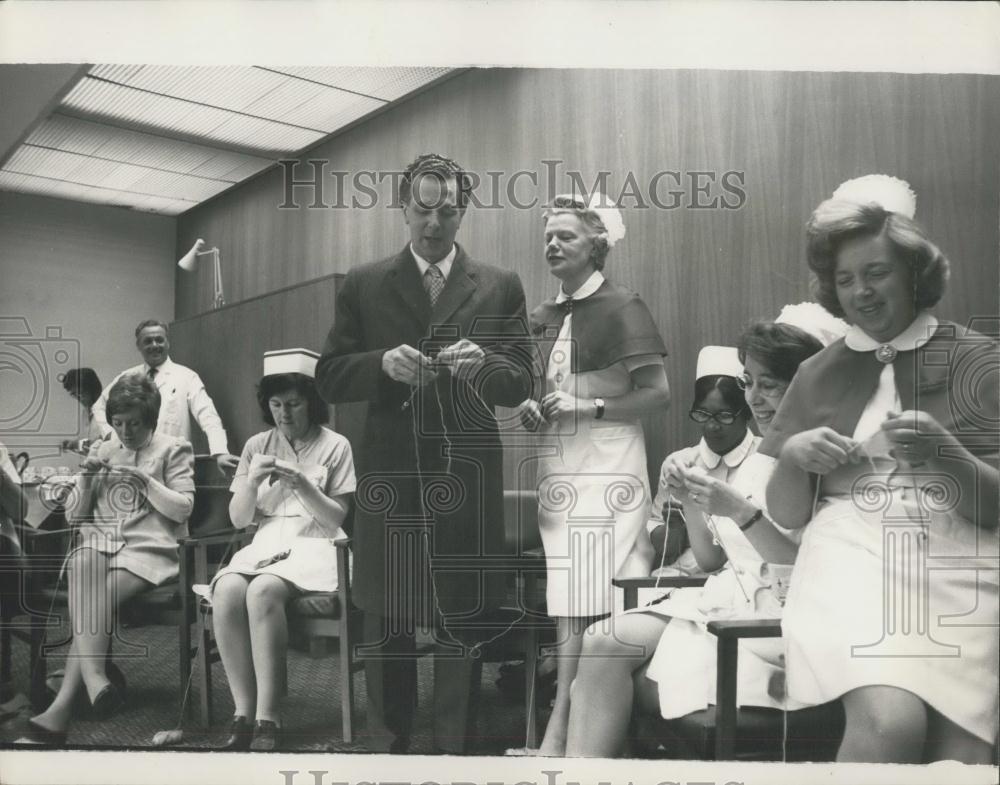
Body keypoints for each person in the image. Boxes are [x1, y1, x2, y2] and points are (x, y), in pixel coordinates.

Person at [763, 177, 999, 763]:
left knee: (963, 753)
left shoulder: (977, 359)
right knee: (890, 723)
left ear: (915, 275)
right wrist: (794, 456)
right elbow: (787, 513)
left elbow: (995, 509)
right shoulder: (817, 371)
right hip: (852, 558)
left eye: (876, 273)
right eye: (845, 279)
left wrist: (946, 454)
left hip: (960, 565)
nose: (860, 292)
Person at [315, 153, 533, 754]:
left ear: (462, 210)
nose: (433, 222)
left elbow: (521, 382)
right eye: (422, 208)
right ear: (403, 208)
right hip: (390, 475)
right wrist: (379, 365)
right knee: (387, 617)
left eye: (447, 209)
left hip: (465, 477)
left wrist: (485, 365)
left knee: (459, 619)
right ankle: (389, 748)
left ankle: (455, 751)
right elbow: (329, 376)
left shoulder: (499, 284)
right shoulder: (363, 282)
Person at [563, 314, 832, 758]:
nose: (755, 398)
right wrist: (688, 496)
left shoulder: (818, 456)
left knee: (609, 666)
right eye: (750, 381)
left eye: (770, 384)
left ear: (805, 383)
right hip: (725, 599)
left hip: (776, 622)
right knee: (601, 641)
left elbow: (805, 571)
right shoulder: (762, 457)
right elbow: (710, 561)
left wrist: (742, 513)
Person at [510, 193, 670, 756]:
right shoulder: (543, 315)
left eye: (566, 236)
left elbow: (657, 394)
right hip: (560, 466)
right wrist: (536, 408)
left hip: (609, 466)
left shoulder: (625, 306)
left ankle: (562, 736)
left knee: (592, 594)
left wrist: (588, 408)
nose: (552, 244)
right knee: (567, 597)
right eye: (548, 235)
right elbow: (548, 392)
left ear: (596, 246)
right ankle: (566, 734)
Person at [17, 374, 195, 745]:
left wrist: (145, 481)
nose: (125, 432)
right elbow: (74, 518)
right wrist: (86, 476)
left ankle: (61, 710)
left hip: (148, 550)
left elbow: (182, 509)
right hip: (99, 546)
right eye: (118, 423)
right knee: (83, 557)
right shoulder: (105, 448)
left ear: (151, 419)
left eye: (134, 424)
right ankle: (95, 680)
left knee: (91, 606)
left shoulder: (173, 448)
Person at [206, 349, 355, 752]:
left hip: (317, 544)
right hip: (267, 541)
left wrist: (304, 485)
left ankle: (268, 716)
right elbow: (239, 521)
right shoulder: (257, 444)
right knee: (226, 590)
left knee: (263, 589)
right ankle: (242, 710)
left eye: (293, 404)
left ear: (312, 402)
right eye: (275, 405)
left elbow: (335, 520)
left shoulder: (335, 445)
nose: (284, 414)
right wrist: (251, 483)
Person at [647, 346, 760, 576]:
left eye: (724, 416)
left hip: (747, 573)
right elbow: (661, 544)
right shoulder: (680, 463)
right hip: (687, 577)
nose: (711, 426)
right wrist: (673, 529)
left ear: (747, 412)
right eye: (702, 414)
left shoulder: (764, 458)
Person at [92, 319, 238, 475]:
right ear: (139, 346)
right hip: (130, 461)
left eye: (159, 340)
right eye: (148, 341)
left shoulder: (187, 377)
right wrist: (112, 434)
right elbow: (99, 406)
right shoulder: (127, 377)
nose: (155, 345)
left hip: (171, 462)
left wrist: (220, 451)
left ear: (167, 343)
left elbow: (208, 415)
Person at [61, 367, 107, 453]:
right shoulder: (85, 412)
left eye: (79, 393)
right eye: (73, 395)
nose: (77, 399)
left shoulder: (108, 410)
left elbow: (108, 444)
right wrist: (72, 443)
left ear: (92, 388)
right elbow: (88, 439)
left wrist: (76, 444)